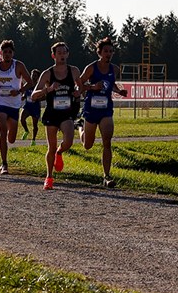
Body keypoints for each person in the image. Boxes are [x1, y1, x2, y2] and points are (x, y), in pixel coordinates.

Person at [78, 37, 128, 188]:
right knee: (88, 145)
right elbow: (79, 85)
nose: (109, 54)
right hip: (91, 109)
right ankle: (80, 127)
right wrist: (92, 87)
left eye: (111, 51)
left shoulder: (115, 69)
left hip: (106, 110)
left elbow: (110, 85)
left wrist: (119, 91)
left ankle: (106, 176)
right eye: (106, 51)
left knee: (107, 141)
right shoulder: (91, 68)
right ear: (99, 52)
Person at [32, 42, 81, 190]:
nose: (61, 55)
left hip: (67, 112)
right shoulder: (47, 73)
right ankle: (49, 177)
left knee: (69, 141)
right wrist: (49, 89)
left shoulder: (74, 71)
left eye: (64, 52)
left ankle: (60, 152)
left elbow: (81, 87)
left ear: (67, 54)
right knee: (50, 147)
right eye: (58, 53)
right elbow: (34, 95)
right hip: (52, 114)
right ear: (53, 56)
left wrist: (79, 91)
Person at [0, 40, 33, 174]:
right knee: (4, 131)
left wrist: (19, 91)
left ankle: (0, 140)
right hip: (0, 102)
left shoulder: (19, 66)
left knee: (11, 139)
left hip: (14, 104)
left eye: (9, 52)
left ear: (13, 53)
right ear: (1, 53)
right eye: (4, 52)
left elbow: (30, 82)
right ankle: (4, 164)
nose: (7, 54)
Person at [19, 69, 41, 145]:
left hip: (35, 107)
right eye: (32, 75)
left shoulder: (39, 86)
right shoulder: (28, 84)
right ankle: (26, 131)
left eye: (35, 76)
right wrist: (23, 97)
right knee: (22, 119)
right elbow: (25, 93)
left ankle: (33, 140)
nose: (33, 77)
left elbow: (44, 96)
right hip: (27, 106)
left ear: (38, 77)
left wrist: (37, 98)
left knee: (35, 125)